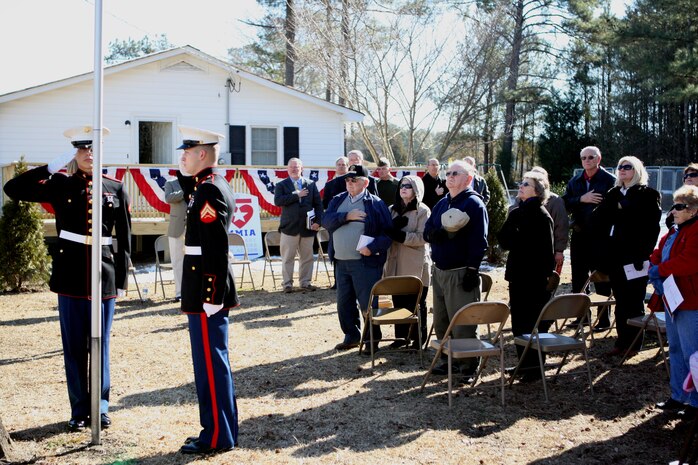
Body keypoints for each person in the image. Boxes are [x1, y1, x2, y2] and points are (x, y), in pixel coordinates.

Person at [3, 125, 131, 431]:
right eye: (83, 149)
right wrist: (49, 167)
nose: (89, 154)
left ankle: (99, 408)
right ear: (74, 153)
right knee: (74, 347)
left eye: (94, 149)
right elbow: (13, 190)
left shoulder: (114, 187)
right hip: (71, 275)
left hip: (105, 274)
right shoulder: (60, 183)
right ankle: (78, 410)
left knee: (101, 345)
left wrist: (124, 281)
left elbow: (124, 237)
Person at [177, 126, 240, 455]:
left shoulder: (209, 191)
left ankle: (216, 437)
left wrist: (211, 296)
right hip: (204, 286)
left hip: (206, 289)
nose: (182, 157)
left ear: (202, 153)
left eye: (187, 151)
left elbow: (215, 247)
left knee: (211, 366)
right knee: (215, 363)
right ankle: (223, 431)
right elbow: (186, 178)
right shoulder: (210, 184)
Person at [424, 160, 488, 376]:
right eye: (448, 173)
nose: (449, 176)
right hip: (439, 271)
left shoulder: (474, 204)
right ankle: (446, 360)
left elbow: (480, 241)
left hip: (460, 272)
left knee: (463, 323)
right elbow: (427, 230)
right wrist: (434, 234)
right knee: (441, 321)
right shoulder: (442, 204)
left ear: (468, 179)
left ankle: (467, 365)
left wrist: (472, 270)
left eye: (456, 173)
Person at [591, 156, 661, 356]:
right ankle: (621, 342)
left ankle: (634, 344)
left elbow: (649, 226)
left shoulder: (648, 194)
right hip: (615, 255)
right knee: (621, 300)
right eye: (620, 167)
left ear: (636, 170)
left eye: (627, 167)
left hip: (636, 256)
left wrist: (643, 253)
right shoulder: (613, 193)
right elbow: (598, 218)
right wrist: (618, 209)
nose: (622, 170)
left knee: (634, 300)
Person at [322, 164, 392, 351]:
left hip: (365, 263)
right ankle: (352, 336)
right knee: (344, 303)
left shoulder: (376, 204)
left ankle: (371, 341)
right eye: (347, 180)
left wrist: (372, 247)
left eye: (354, 180)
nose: (349, 183)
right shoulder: (337, 200)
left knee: (368, 302)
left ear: (366, 182)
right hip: (341, 261)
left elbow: (388, 234)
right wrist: (347, 216)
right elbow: (326, 221)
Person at [498, 171, 555, 381]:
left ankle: (535, 368)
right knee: (519, 324)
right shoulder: (515, 212)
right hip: (517, 276)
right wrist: (516, 230)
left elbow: (546, 254)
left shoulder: (542, 216)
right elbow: (503, 240)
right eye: (521, 183)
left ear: (538, 190)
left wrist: (541, 279)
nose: (520, 186)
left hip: (534, 280)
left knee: (532, 324)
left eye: (526, 184)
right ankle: (523, 364)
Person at [649, 185, 698, 416]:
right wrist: (654, 264)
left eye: (680, 206)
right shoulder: (674, 230)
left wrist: (660, 269)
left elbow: (690, 261)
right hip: (673, 299)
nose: (673, 211)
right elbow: (659, 251)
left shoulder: (696, 231)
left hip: (691, 301)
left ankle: (695, 402)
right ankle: (678, 396)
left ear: (694, 210)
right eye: (673, 206)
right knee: (676, 349)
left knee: (693, 353)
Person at [563, 146, 616, 329]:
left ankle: (603, 319)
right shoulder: (575, 181)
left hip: (601, 238)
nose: (587, 160)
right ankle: (582, 317)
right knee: (578, 278)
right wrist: (581, 199)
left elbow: (614, 208)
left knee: (600, 278)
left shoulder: (610, 180)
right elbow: (564, 203)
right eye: (584, 157)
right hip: (579, 235)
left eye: (591, 157)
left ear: (599, 159)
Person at [383, 175, 431, 349]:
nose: (403, 188)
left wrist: (401, 236)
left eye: (408, 186)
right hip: (395, 261)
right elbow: (386, 230)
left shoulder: (423, 210)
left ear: (416, 189)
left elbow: (423, 237)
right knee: (398, 301)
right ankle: (401, 337)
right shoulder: (392, 209)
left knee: (417, 302)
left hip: (415, 263)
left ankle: (419, 338)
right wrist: (391, 228)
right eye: (402, 185)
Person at [273, 157, 323, 293]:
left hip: (307, 228)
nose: (294, 169)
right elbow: (278, 201)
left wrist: (318, 222)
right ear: (287, 169)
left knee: (307, 257)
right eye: (292, 167)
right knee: (287, 258)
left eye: (297, 167)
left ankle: (305, 282)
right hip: (289, 228)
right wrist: (297, 195)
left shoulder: (311, 184)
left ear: (302, 168)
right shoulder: (281, 185)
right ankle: (287, 284)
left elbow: (318, 204)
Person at [530, 166, 569, 273]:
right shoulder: (521, 199)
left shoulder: (555, 201)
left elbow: (561, 226)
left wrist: (559, 251)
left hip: (547, 252)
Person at [164, 174, 188, 302]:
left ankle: (194, 290)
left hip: (194, 227)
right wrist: (185, 191)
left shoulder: (198, 182)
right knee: (178, 261)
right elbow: (168, 198)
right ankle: (180, 292)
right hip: (177, 227)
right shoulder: (171, 183)